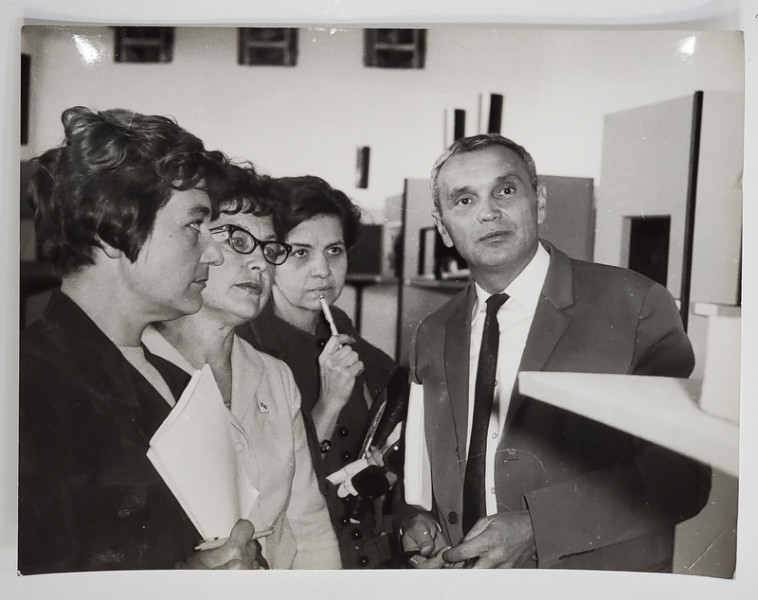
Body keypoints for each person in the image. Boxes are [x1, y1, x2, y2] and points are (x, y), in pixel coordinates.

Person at [399, 134, 712, 571]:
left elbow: (683, 477)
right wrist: (418, 520)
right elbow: (425, 468)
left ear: (540, 202)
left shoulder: (634, 305)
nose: (489, 212)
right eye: (464, 200)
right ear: (443, 226)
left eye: (505, 191)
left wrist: (536, 528)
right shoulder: (433, 332)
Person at [18, 106, 264, 573]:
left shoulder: (172, 374)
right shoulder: (30, 387)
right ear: (112, 230)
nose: (213, 252)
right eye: (194, 224)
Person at [142, 164, 341, 569]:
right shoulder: (137, 367)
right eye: (237, 240)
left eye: (269, 249)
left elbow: (309, 526)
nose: (260, 266)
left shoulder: (275, 376)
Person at [236, 176, 402, 569]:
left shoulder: (364, 353)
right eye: (300, 253)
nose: (322, 271)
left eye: (334, 251)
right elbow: (259, 494)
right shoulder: (245, 352)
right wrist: (327, 407)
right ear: (269, 256)